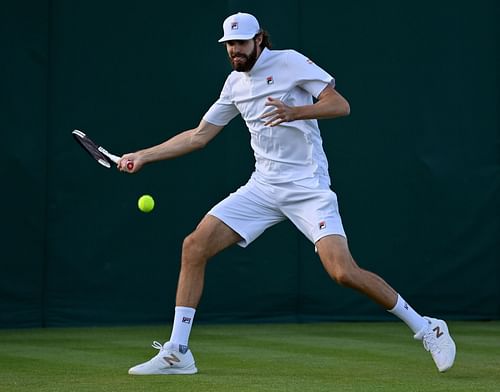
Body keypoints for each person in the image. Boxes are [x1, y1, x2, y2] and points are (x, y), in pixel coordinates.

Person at [119, 12, 456, 375]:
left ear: (259, 39)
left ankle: (428, 327)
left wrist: (296, 112)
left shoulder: (291, 62)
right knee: (194, 246)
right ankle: (178, 352)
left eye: (242, 43)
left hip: (308, 187)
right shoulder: (234, 84)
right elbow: (198, 136)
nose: (235, 50)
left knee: (342, 272)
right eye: (230, 44)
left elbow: (340, 105)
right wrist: (143, 156)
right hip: (263, 187)